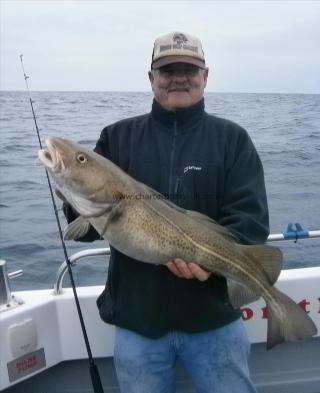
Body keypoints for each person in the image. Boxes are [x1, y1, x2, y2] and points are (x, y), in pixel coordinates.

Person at [64, 31, 269, 393]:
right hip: (139, 323)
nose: (178, 77)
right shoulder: (116, 138)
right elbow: (93, 227)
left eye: (188, 69)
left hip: (214, 321)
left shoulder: (233, 140)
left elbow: (250, 223)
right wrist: (69, 189)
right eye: (167, 69)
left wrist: (209, 264)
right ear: (151, 78)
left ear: (206, 76)